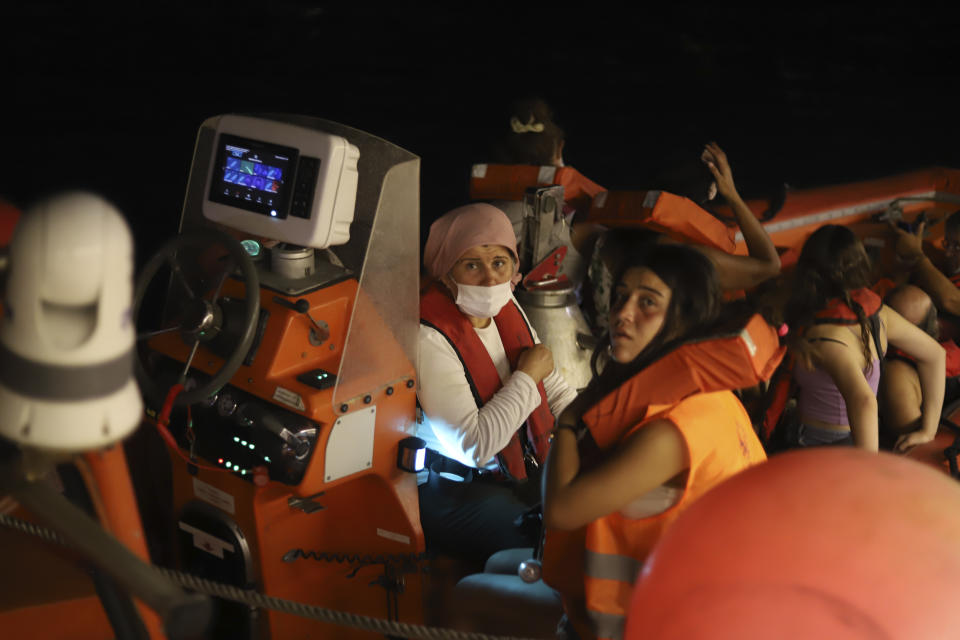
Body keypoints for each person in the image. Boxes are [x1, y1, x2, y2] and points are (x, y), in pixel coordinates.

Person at [543, 244, 768, 640]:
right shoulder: (716, 398)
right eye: (620, 297)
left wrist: (565, 422)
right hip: (708, 615)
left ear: (684, 319)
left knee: (473, 589)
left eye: (648, 302)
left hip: (641, 627)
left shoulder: (668, 433)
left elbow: (560, 511)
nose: (622, 314)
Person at [417, 203, 576, 559]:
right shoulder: (428, 337)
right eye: (472, 265)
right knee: (554, 542)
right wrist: (526, 376)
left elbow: (553, 390)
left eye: (499, 263)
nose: (490, 279)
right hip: (459, 492)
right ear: (445, 273)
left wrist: (594, 428)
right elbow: (474, 447)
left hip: (523, 476)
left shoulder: (505, 305)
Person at [586, 142, 781, 332]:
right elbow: (770, 265)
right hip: (648, 361)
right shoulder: (686, 258)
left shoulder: (608, 236)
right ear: (712, 191)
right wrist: (733, 195)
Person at [784, 225, 945, 452]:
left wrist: (868, 473)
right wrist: (929, 430)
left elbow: (864, 402)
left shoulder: (826, 339)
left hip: (820, 443)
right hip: (855, 435)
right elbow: (936, 355)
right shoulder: (879, 314)